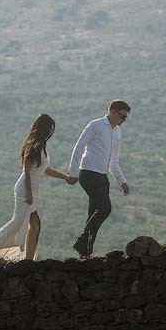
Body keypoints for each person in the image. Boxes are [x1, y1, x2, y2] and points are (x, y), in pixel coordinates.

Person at [0, 113, 72, 262]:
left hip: (33, 191)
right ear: (42, 128)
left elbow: (45, 170)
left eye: (52, 129)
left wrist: (65, 177)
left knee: (35, 224)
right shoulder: (33, 145)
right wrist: (29, 194)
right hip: (25, 189)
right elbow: (27, 171)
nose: (50, 132)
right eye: (48, 128)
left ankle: (29, 259)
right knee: (17, 221)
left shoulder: (42, 147)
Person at [65, 99, 131, 257]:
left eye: (126, 118)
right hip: (88, 173)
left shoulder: (117, 132)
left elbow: (113, 161)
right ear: (113, 111)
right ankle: (82, 242)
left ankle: (85, 253)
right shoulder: (95, 125)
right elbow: (79, 147)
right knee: (105, 208)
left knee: (94, 212)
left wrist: (122, 180)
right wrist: (72, 172)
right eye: (122, 116)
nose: (123, 121)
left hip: (102, 176)